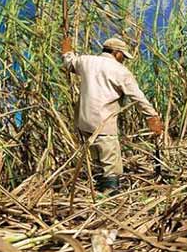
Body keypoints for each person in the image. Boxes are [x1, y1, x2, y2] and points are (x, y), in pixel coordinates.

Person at [61, 36, 163, 194]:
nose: (124, 60)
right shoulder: (121, 71)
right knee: (111, 166)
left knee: (96, 161)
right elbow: (138, 97)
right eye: (123, 56)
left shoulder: (85, 61)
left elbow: (69, 63)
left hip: (84, 122)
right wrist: (152, 117)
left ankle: (98, 193)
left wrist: (67, 50)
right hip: (104, 124)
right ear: (117, 53)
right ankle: (110, 199)